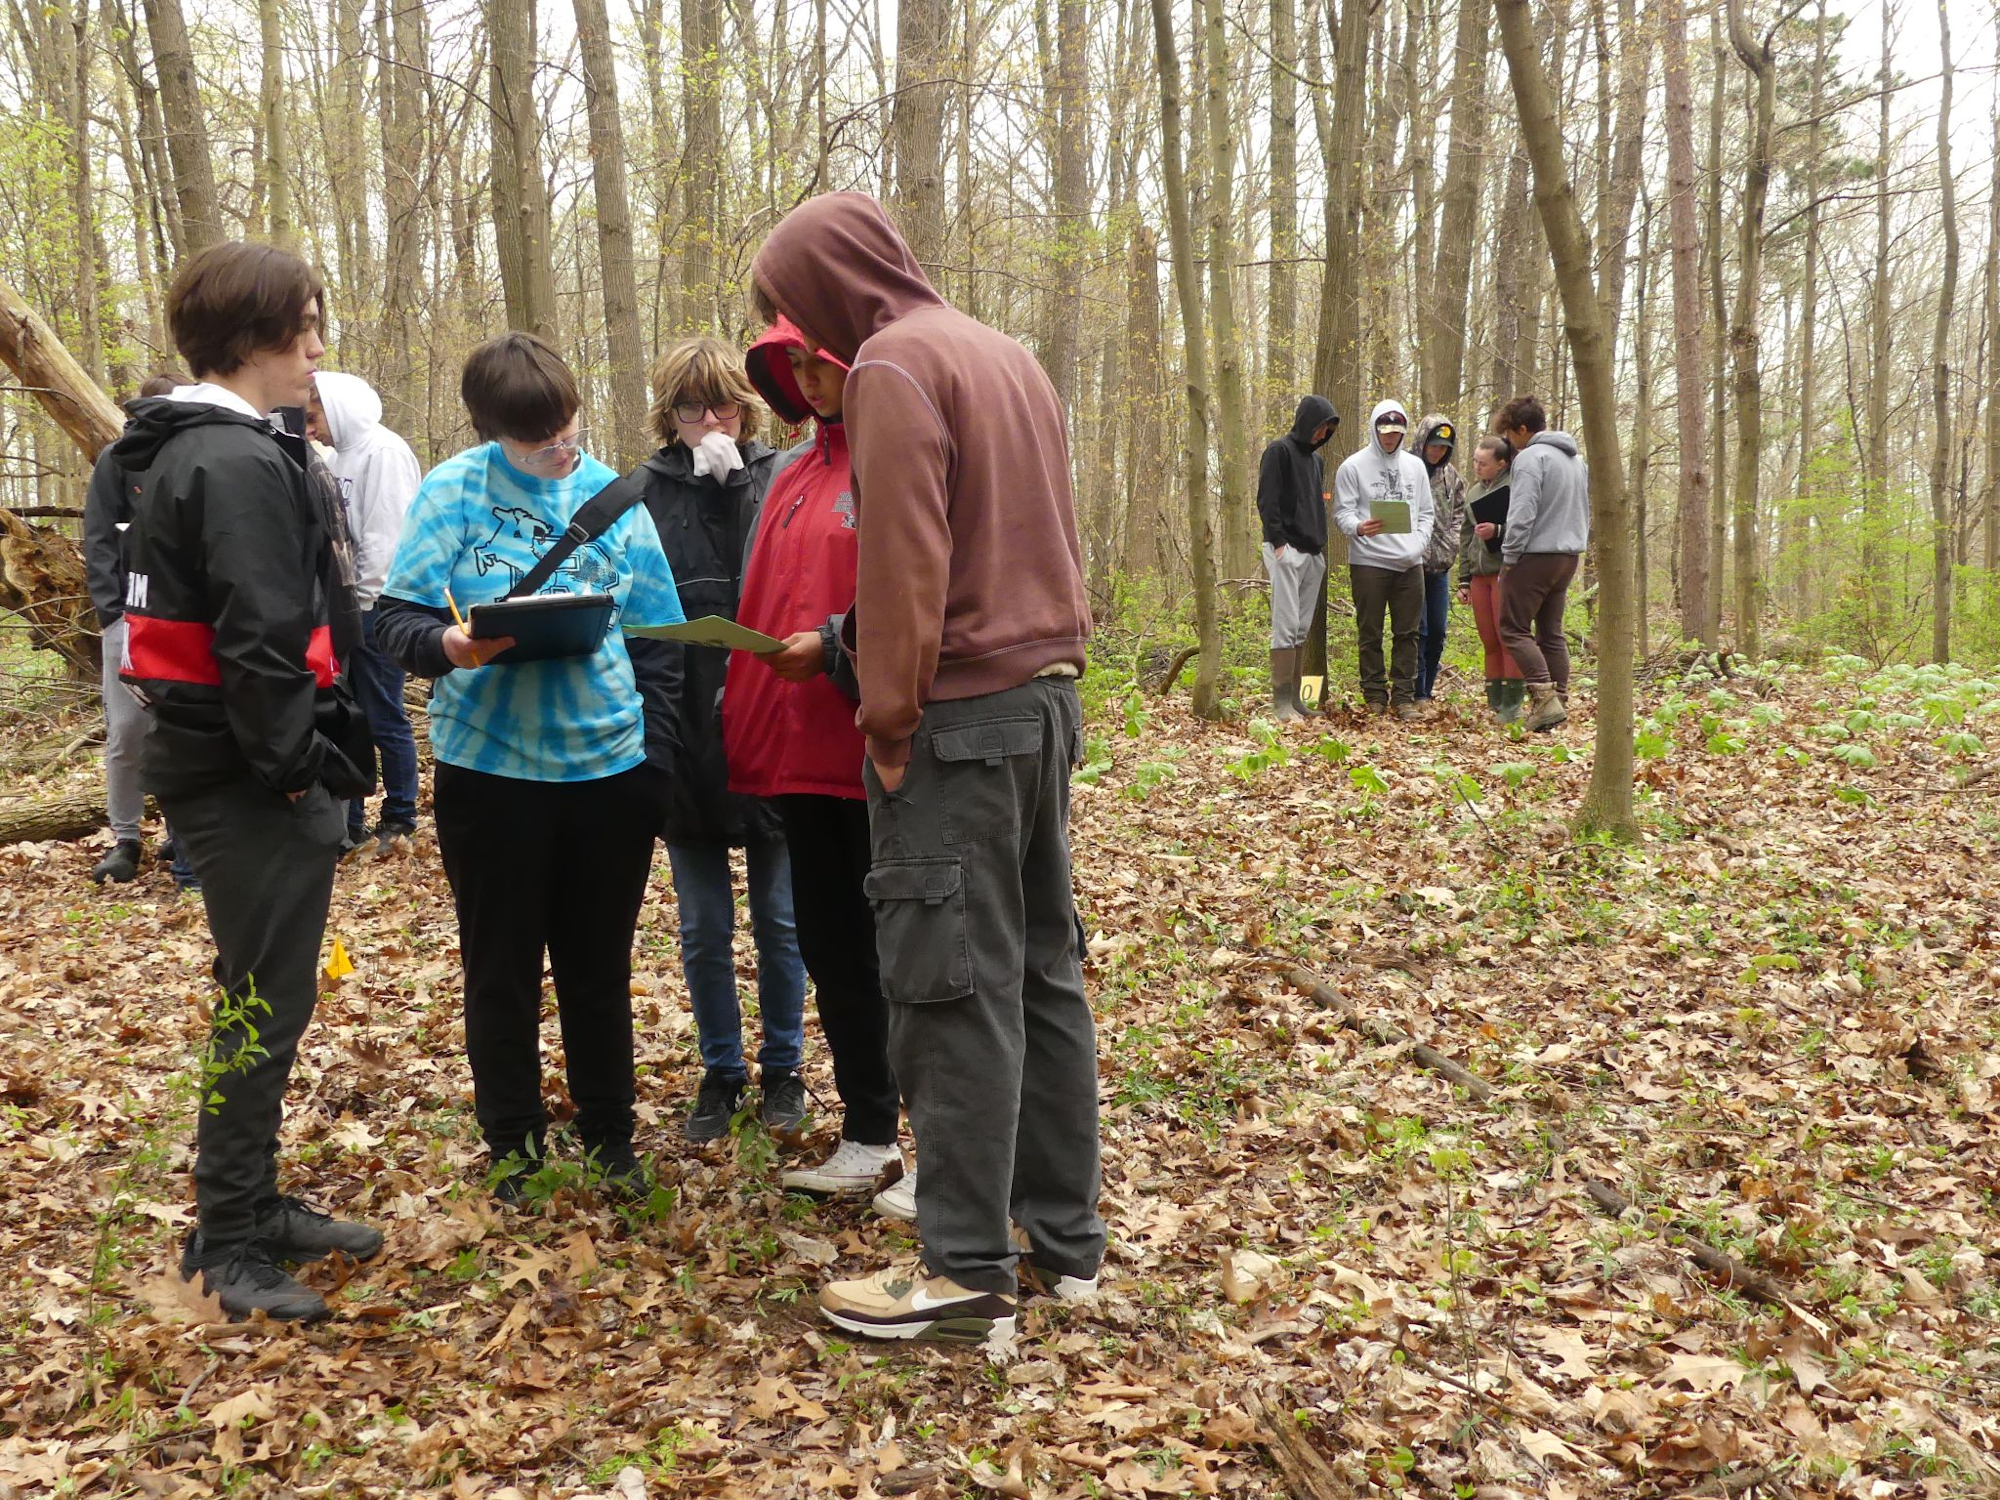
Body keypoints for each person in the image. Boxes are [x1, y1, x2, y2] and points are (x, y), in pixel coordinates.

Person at [752, 191, 1102, 1345]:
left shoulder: (891, 369)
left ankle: (959, 1278)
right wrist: (850, 643)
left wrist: (885, 716)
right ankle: (1063, 1245)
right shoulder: (1004, 355)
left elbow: (911, 564)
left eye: (786, 305)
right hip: (1043, 709)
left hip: (952, 729)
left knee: (951, 991)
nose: (790, 333)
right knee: (1040, 976)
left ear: (826, 289)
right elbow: (994, 556)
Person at [112, 241, 382, 1320]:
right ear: (256, 336)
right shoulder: (226, 462)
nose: (317, 349)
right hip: (241, 775)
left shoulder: (203, 451)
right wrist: (293, 776)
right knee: (263, 1005)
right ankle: (230, 1234)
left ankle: (251, 1201)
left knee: (261, 994)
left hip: (223, 765)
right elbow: (262, 641)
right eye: (305, 326)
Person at [374, 332, 686, 1200]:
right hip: (491, 777)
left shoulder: (614, 495)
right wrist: (447, 645)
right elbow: (392, 620)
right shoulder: (452, 491)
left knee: (599, 967)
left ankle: (610, 1135)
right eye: (538, 437)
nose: (562, 447)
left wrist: (655, 757)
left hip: (611, 775)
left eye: (569, 424)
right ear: (492, 432)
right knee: (501, 969)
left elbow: (660, 635)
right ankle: (512, 1145)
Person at [732, 316, 907, 1214]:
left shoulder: (895, 458)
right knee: (833, 950)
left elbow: (914, 602)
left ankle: (940, 1144)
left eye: (815, 357)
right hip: (802, 753)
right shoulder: (792, 473)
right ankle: (869, 1132)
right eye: (789, 362)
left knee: (905, 956)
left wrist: (836, 656)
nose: (803, 374)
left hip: (881, 748)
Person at [627, 337, 809, 1145]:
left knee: (781, 918)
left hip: (772, 730)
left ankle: (785, 1069)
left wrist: (737, 488)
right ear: (669, 413)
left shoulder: (776, 480)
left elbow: (788, 588)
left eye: (726, 406)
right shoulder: (639, 495)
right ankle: (721, 1069)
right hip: (682, 736)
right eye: (695, 409)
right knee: (703, 925)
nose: (711, 423)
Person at [84, 372, 198, 891]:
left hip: (179, 621)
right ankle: (125, 836)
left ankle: (182, 831)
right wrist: (111, 619)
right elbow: (100, 539)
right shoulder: (117, 460)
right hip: (126, 621)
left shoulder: (197, 456)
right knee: (128, 730)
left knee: (178, 727)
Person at [305, 371, 423, 850]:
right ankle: (350, 818)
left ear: (334, 408)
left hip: (378, 605)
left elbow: (384, 538)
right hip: (344, 609)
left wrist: (368, 606)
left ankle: (400, 814)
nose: (311, 429)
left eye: (314, 418)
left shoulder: (384, 452)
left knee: (383, 714)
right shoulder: (336, 457)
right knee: (346, 714)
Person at [1332, 400, 1433, 719]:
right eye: (1385, 431)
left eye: (1396, 432)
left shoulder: (1415, 467)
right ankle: (1374, 694)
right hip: (1369, 562)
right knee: (1370, 631)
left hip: (1409, 563)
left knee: (1408, 632)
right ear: (1375, 429)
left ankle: (1403, 697)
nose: (1390, 438)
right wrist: (1359, 527)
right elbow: (1342, 512)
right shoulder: (1353, 466)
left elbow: (1427, 514)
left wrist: (1418, 544)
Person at [1494, 395, 1589, 732]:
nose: (1509, 443)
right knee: (1550, 633)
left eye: (1510, 434)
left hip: (1536, 555)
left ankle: (1545, 700)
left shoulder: (1532, 458)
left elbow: (1522, 513)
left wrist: (1509, 558)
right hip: (1568, 556)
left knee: (1512, 628)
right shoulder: (1575, 460)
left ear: (1522, 429)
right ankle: (1559, 703)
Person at [1256, 396, 1338, 721]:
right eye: (1319, 427)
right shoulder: (1279, 451)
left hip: (1312, 553)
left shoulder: (1317, 463)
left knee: (1301, 627)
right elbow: (1267, 499)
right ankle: (1281, 703)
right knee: (1285, 624)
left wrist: (1318, 550)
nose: (1322, 434)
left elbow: (1316, 505)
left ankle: (1297, 700)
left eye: (1327, 430)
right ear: (1307, 422)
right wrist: (1278, 543)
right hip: (1285, 548)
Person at [1456, 435, 1524, 723]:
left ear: (1501, 463)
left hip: (1505, 571)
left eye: (1483, 463)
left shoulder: (1515, 486)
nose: (1476, 467)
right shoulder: (1472, 493)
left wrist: (1498, 530)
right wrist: (1463, 578)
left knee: (1507, 636)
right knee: (1488, 639)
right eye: (1474, 461)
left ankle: (1512, 705)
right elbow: (1466, 535)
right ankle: (1494, 702)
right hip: (1479, 575)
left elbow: (1526, 526)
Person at [1412, 415, 1464, 702]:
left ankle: (1427, 690)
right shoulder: (1406, 469)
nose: (1437, 451)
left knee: (1437, 630)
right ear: (1422, 442)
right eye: (1433, 445)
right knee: (1417, 631)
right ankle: (1415, 691)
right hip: (1411, 564)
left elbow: (1460, 513)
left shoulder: (1452, 477)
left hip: (1440, 566)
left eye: (1443, 447)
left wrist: (1452, 542)